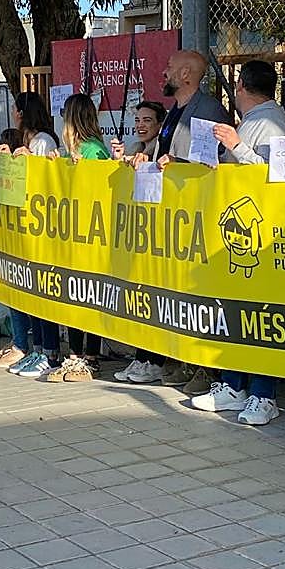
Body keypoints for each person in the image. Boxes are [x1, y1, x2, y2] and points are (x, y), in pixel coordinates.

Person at [192, 61, 285, 424]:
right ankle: (234, 385)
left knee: (259, 316)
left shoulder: (272, 122)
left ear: (240, 87)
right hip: (234, 231)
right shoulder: (254, 120)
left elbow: (272, 173)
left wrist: (236, 146)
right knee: (234, 312)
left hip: (258, 233)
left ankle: (263, 394)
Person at [153, 50, 233, 395]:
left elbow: (211, 162)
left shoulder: (208, 110)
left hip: (199, 215)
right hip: (176, 215)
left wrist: (178, 163)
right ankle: (186, 359)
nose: (164, 71)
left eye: (169, 67)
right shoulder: (175, 110)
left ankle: (208, 368)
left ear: (186, 74)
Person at [0, 92, 64, 377]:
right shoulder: (30, 140)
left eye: (15, 109)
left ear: (23, 113)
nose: (13, 114)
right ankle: (35, 348)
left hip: (42, 228)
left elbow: (42, 179)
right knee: (28, 293)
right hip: (26, 227)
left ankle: (49, 352)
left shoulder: (43, 141)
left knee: (41, 295)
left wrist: (27, 160)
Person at [46, 93, 110, 384]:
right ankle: (74, 355)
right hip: (71, 233)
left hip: (90, 235)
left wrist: (80, 169)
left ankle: (91, 357)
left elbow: (99, 188)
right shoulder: (73, 150)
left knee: (89, 294)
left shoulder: (93, 149)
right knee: (73, 294)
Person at [112, 101, 172, 384]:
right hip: (138, 235)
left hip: (159, 235)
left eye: (147, 120)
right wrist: (118, 160)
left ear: (159, 124)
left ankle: (155, 361)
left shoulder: (161, 151)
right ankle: (141, 357)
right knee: (139, 299)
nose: (141, 125)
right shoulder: (136, 148)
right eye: (137, 120)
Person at [212, 59, 285, 163]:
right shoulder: (258, 116)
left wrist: (236, 146)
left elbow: (271, 167)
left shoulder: (271, 121)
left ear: (240, 84)